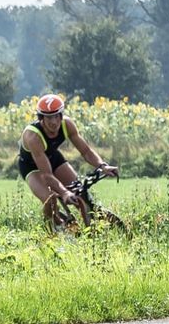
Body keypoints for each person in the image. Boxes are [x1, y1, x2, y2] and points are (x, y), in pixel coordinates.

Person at [16, 94, 117, 226]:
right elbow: (47, 175)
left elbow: (86, 152)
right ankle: (53, 228)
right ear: (41, 118)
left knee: (80, 192)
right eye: (49, 117)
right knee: (50, 200)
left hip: (53, 158)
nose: (54, 122)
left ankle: (92, 226)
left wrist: (102, 166)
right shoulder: (33, 136)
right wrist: (64, 192)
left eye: (57, 116)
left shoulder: (67, 124)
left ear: (61, 115)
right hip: (31, 166)